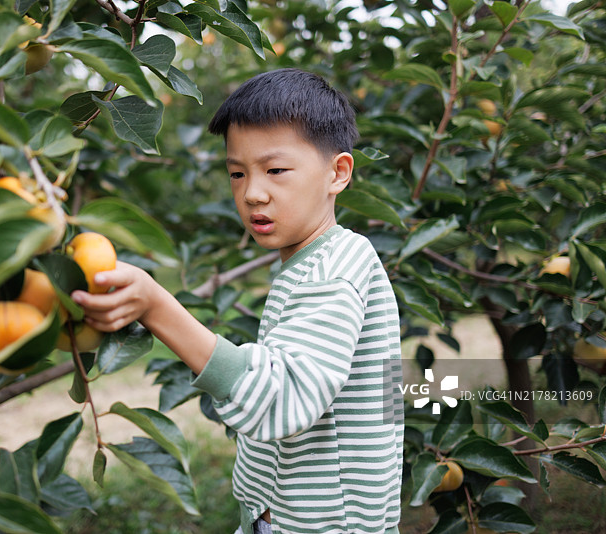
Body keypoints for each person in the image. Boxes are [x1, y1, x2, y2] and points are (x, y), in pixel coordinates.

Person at [72, 68, 404, 534]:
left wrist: (157, 307)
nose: (252, 193)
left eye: (275, 170)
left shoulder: (337, 267)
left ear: (338, 173)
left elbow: (283, 398)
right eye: (236, 173)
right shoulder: (314, 262)